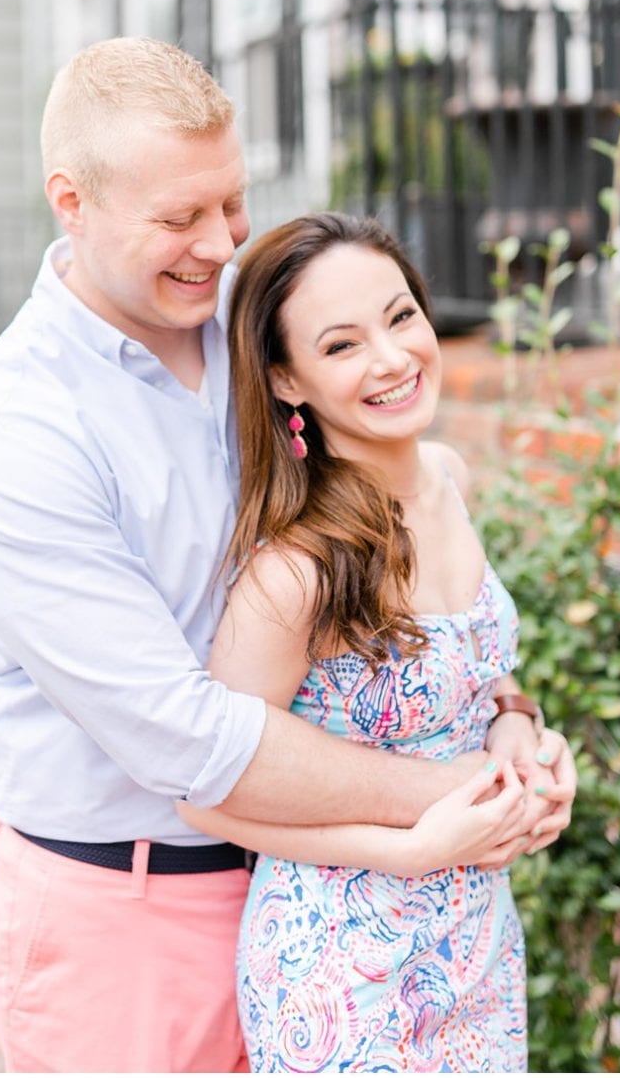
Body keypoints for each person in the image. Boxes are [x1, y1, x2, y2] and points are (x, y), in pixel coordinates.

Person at [0, 38, 574, 1072]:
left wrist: (510, 720)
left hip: (334, 890)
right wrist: (463, 793)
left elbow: (393, 572)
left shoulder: (263, 327)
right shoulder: (16, 436)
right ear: (72, 200)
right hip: (131, 916)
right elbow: (187, 737)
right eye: (179, 217)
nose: (220, 240)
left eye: (230, 202)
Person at [178, 213, 545, 1070]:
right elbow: (202, 793)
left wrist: (520, 727)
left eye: (401, 316)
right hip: (340, 969)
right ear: (288, 379)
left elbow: (474, 673)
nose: (391, 358)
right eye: (342, 345)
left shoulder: (449, 475)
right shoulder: (296, 571)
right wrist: (407, 848)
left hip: (479, 938)